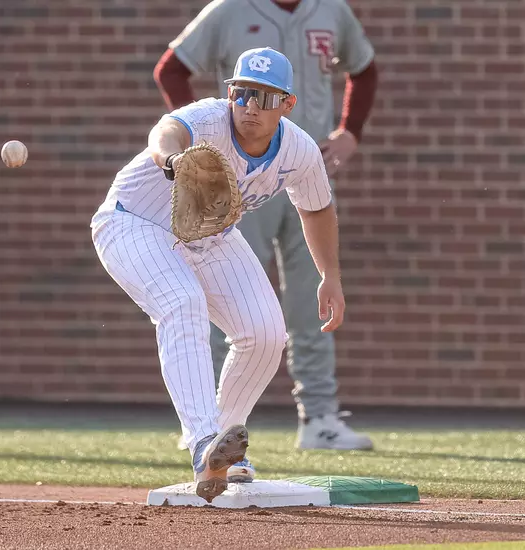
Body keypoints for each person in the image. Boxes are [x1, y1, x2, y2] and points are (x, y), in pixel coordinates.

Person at [91, 47, 346, 500]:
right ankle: (204, 443)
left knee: (266, 333)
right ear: (230, 93)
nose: (251, 106)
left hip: (210, 236)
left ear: (287, 104)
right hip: (134, 221)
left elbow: (318, 210)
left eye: (266, 98)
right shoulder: (208, 119)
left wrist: (330, 275)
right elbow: (165, 131)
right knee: (181, 303)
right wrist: (171, 160)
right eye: (243, 93)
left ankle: (224, 453)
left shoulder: (299, 150)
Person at [154, 0, 378, 455]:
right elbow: (171, 69)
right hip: (231, 183)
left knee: (308, 298)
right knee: (224, 301)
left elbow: (365, 68)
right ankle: (205, 422)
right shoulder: (228, 10)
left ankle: (319, 417)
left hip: (302, 170)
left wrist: (350, 129)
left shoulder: (331, 9)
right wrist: (194, 147)